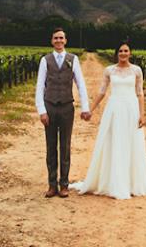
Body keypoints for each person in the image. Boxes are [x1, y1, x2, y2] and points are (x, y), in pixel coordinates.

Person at [70, 41, 146, 199]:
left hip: (131, 109)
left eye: (126, 51)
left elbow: (140, 93)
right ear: (117, 53)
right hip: (114, 109)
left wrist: (142, 114)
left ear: (130, 53)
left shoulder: (137, 70)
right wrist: (90, 110)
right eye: (120, 51)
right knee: (114, 142)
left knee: (131, 143)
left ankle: (131, 183)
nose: (123, 53)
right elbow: (101, 92)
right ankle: (113, 181)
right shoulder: (109, 70)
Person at [35, 27, 91, 198]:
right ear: (52, 41)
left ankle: (64, 184)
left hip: (67, 106)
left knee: (65, 146)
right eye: (56, 38)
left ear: (65, 41)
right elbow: (39, 86)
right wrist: (42, 110)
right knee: (51, 146)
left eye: (61, 38)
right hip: (50, 106)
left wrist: (85, 107)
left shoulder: (73, 59)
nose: (59, 41)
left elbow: (80, 84)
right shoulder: (45, 60)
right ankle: (52, 185)